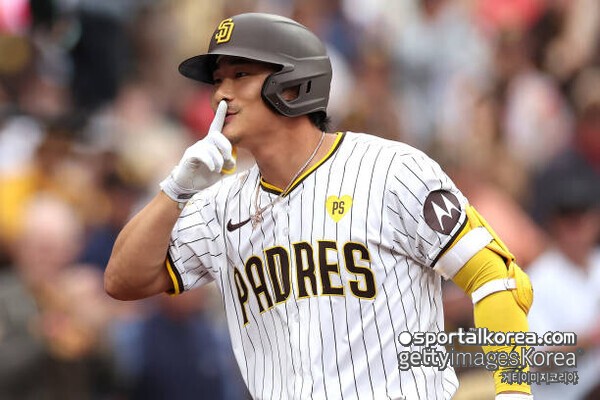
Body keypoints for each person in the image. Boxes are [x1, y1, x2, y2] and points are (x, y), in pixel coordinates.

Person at [105, 12, 534, 399]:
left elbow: (497, 278)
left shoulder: (392, 170)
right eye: (218, 80)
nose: (221, 94)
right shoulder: (219, 205)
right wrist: (176, 189)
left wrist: (513, 392)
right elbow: (123, 280)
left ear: (293, 83)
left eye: (240, 75)